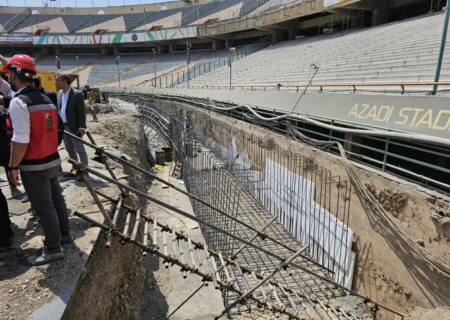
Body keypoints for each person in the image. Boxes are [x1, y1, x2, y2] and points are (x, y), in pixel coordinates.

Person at [5, 54, 71, 265]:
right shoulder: (46, 100)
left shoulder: (19, 102)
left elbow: (21, 139)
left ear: (14, 74)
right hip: (52, 160)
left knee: (44, 207)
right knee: (57, 200)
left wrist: (13, 165)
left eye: (8, 73)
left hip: (34, 165)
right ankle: (65, 235)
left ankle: (53, 249)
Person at [55, 73, 88, 176]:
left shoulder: (77, 94)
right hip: (63, 127)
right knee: (70, 149)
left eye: (57, 80)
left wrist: (82, 127)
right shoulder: (59, 93)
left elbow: (81, 112)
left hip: (74, 127)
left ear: (65, 82)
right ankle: (75, 168)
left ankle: (84, 171)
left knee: (80, 150)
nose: (56, 82)